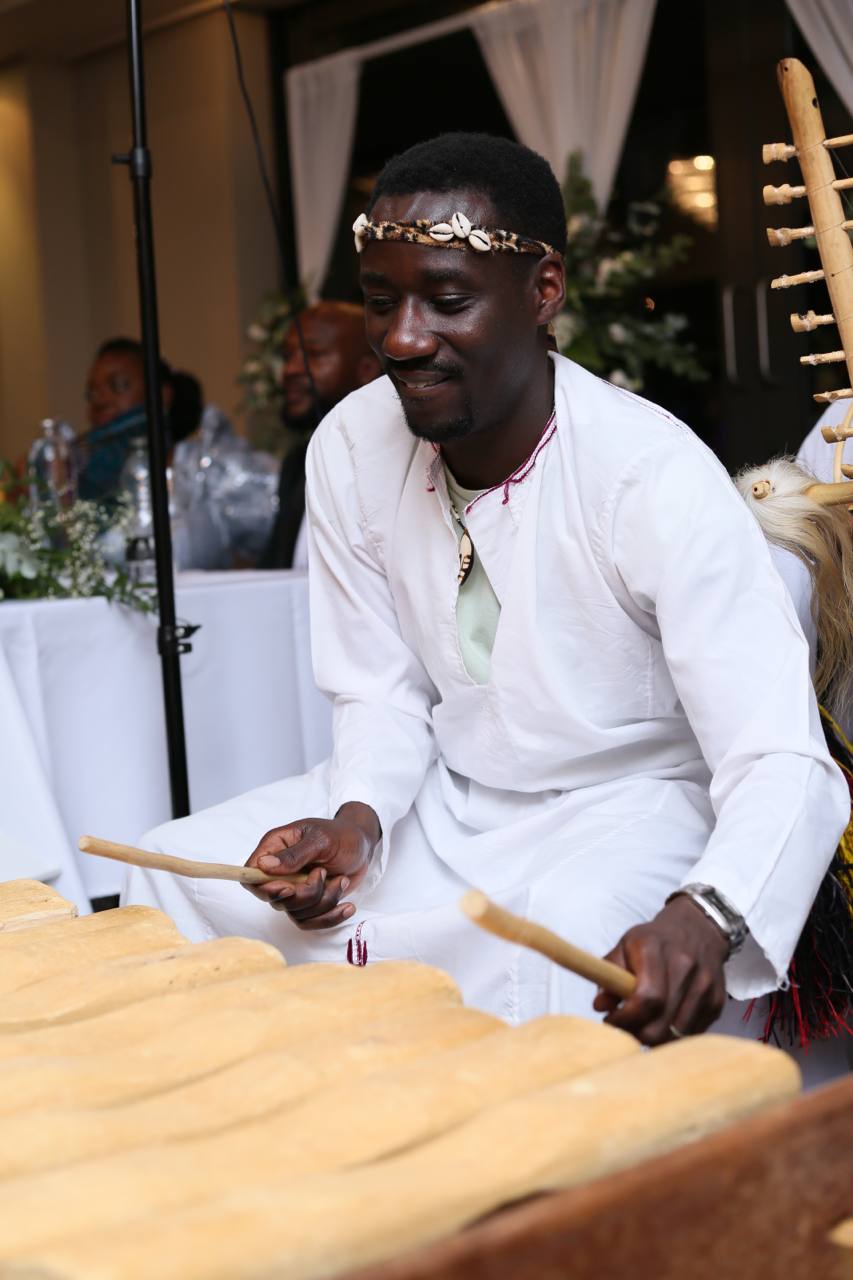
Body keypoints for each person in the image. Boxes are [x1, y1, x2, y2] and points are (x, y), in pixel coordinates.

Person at [124, 132, 848, 1048]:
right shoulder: (349, 446)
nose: (400, 338)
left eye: (447, 300)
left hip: (632, 806)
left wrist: (706, 913)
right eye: (381, 302)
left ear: (543, 291)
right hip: (444, 799)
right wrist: (355, 826)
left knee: (565, 948)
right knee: (175, 874)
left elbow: (778, 758)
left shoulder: (648, 473)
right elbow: (379, 693)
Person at [262, 302, 380, 569]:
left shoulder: (395, 458)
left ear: (367, 370)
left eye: (313, 354)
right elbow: (275, 569)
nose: (290, 370)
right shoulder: (297, 462)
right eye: (287, 356)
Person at [79, 338, 202, 502]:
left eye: (118, 385)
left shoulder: (178, 461)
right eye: (91, 394)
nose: (101, 399)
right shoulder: (82, 452)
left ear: (161, 395)